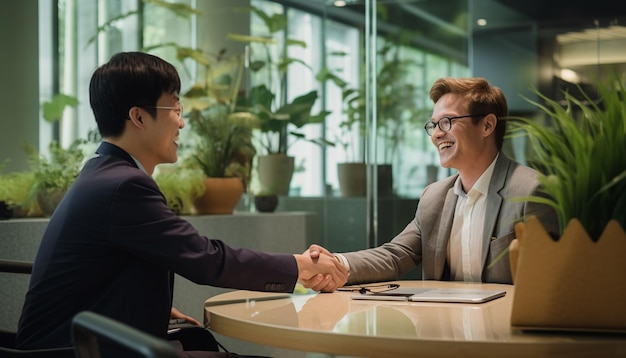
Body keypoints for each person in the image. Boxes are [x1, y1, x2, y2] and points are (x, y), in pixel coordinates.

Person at [15, 52, 347, 356]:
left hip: (77, 339)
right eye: (175, 108)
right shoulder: (124, 186)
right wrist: (299, 267)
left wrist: (146, 308)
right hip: (79, 349)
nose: (181, 122)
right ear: (139, 117)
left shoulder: (102, 173)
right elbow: (206, 258)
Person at [309, 77, 559, 288]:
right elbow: (396, 255)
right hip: (443, 335)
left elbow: (549, 285)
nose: (437, 134)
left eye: (447, 122)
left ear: (487, 125)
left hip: (504, 338)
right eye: (433, 125)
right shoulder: (435, 196)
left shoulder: (531, 192)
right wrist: (338, 265)